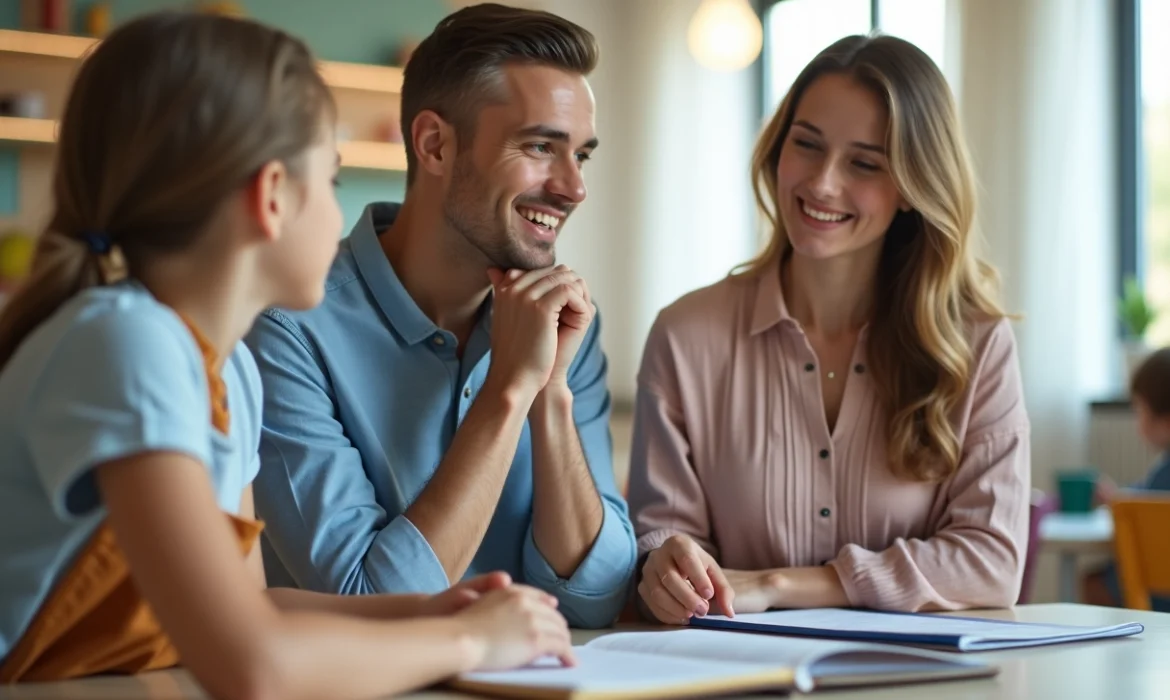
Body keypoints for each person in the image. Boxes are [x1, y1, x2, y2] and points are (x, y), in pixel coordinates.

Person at [0, 11, 573, 698]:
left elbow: (251, 606)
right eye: (329, 182)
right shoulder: (126, 343)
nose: (340, 218)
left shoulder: (228, 367)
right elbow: (252, 666)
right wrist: (471, 640)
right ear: (272, 197)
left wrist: (424, 610)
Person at [243, 3, 636, 629]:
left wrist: (550, 393)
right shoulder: (287, 329)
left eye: (580, 156)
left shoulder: (564, 324)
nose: (573, 188)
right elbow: (368, 605)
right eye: (540, 146)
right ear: (435, 145)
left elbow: (597, 597)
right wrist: (509, 388)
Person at [626, 34, 1031, 624]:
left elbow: (991, 562)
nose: (821, 183)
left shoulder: (976, 342)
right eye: (806, 145)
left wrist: (780, 584)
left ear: (914, 188)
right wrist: (664, 566)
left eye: (864, 163)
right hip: (739, 675)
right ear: (776, 150)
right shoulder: (685, 335)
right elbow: (664, 537)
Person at [1082, 348, 1170, 610]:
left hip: (1158, 597)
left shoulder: (1164, 473)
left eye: (1139, 409)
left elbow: (1141, 508)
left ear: (1165, 418)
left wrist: (1117, 502)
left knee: (1092, 582)